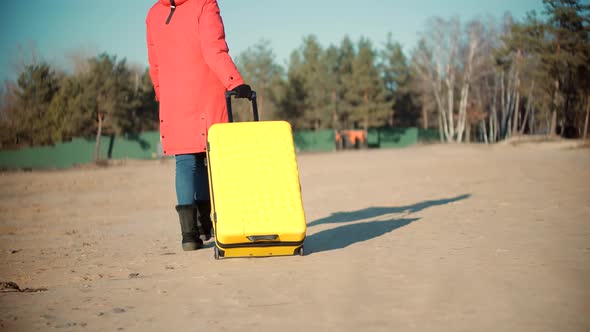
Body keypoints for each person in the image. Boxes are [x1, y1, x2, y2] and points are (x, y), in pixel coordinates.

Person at [146, 0, 252, 251]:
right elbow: (213, 49)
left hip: (174, 98)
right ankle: (208, 224)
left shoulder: (153, 13)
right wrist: (235, 82)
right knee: (208, 157)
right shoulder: (204, 4)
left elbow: (155, 63)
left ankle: (189, 235)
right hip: (205, 93)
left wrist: (162, 95)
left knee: (185, 161)